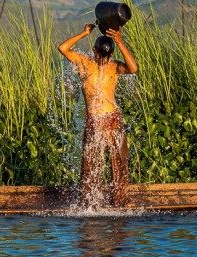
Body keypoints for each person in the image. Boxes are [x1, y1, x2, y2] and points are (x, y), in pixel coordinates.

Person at [58, 23, 138, 207]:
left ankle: (121, 201)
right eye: (100, 56)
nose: (103, 60)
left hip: (112, 118)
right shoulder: (84, 63)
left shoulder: (115, 67)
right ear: (94, 51)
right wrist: (84, 33)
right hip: (94, 120)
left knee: (118, 161)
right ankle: (89, 203)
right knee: (90, 163)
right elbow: (63, 48)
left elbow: (133, 68)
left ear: (111, 55)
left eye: (107, 57)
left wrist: (119, 41)